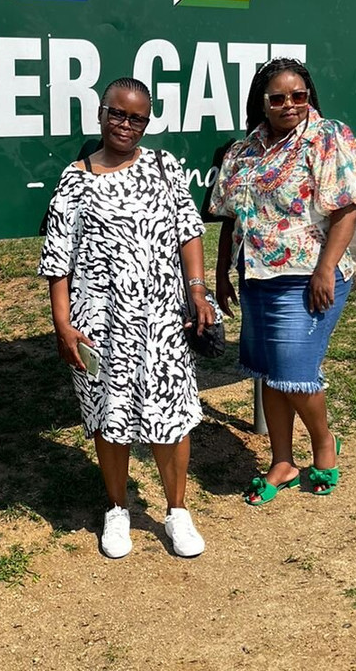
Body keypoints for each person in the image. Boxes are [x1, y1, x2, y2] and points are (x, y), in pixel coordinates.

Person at [38, 76, 217, 558]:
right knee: (107, 416)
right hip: (98, 321)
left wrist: (196, 290)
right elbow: (58, 259)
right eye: (118, 113)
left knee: (171, 416)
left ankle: (177, 511)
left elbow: (189, 232)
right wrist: (63, 325)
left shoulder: (164, 166)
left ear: (147, 120)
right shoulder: (75, 178)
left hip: (162, 318)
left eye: (137, 117)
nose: (126, 124)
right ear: (101, 113)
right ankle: (117, 509)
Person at [208, 58, 356, 504]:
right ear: (262, 103)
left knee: (292, 373)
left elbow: (347, 208)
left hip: (307, 279)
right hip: (255, 277)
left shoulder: (328, 137)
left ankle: (324, 446)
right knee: (268, 372)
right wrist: (224, 273)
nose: (290, 105)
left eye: (299, 95)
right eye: (279, 98)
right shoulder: (245, 150)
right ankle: (282, 461)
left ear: (309, 97)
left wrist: (325, 268)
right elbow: (230, 218)